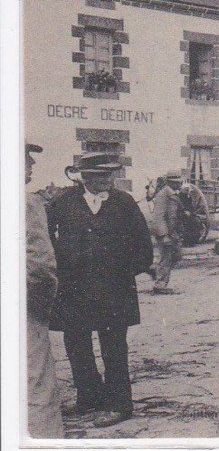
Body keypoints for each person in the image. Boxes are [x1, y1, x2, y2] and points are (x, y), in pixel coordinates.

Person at [47, 153, 153, 428]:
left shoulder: (124, 202)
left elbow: (143, 246)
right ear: (83, 176)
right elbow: (47, 240)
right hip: (74, 291)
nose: (107, 180)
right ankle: (90, 396)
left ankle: (119, 404)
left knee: (114, 348)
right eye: (99, 175)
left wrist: (122, 272)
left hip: (113, 291)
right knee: (77, 345)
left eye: (110, 175)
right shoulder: (63, 202)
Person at [25, 142, 64, 438]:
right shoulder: (27, 203)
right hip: (23, 309)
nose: (32, 165)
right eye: (26, 158)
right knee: (37, 386)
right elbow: (41, 267)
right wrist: (43, 310)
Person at [151, 170, 183, 294]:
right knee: (166, 257)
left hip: (173, 232)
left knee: (176, 256)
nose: (179, 184)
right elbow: (158, 216)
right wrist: (163, 235)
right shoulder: (163, 194)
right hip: (166, 233)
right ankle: (160, 284)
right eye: (176, 182)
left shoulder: (172, 193)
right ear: (170, 182)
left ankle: (159, 276)